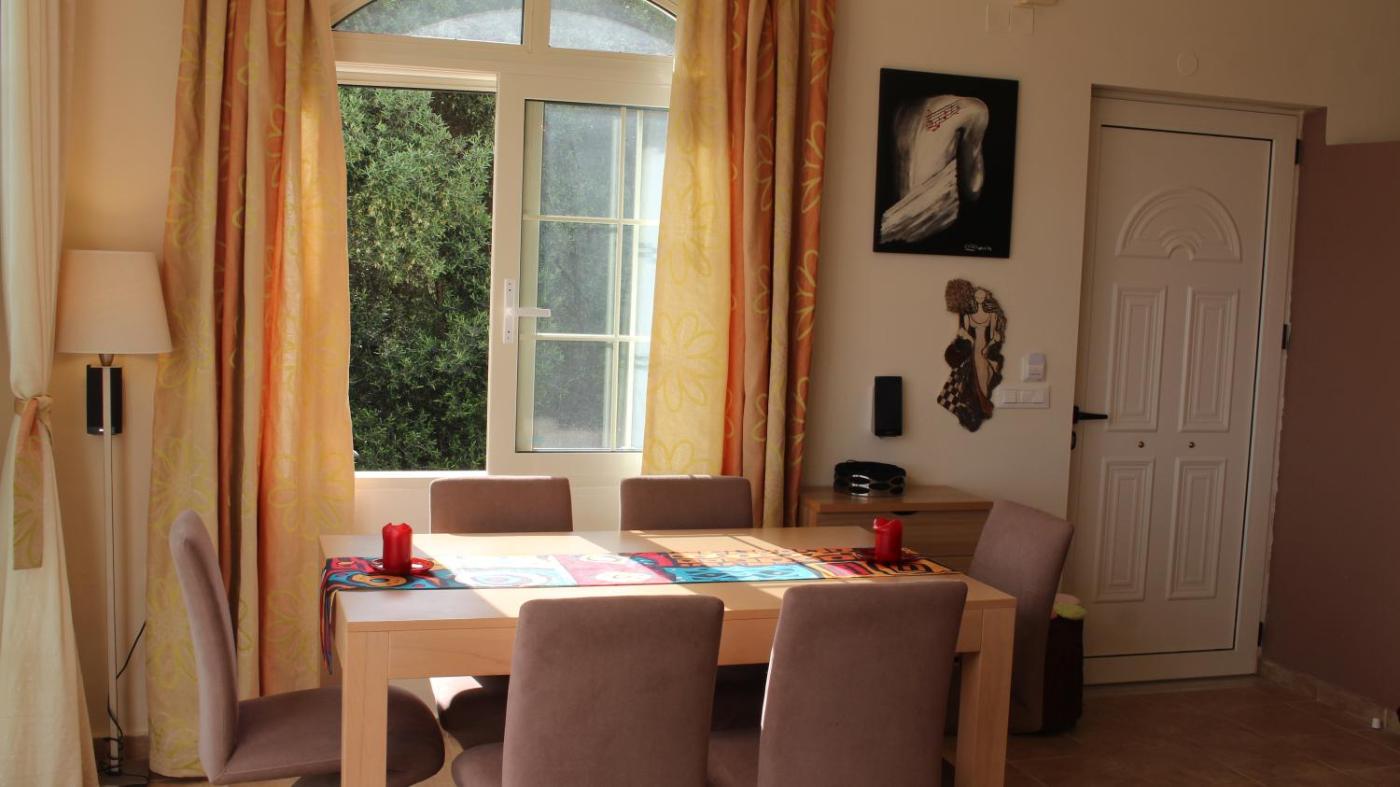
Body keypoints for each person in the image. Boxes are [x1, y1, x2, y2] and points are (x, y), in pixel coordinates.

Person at [880, 94, 990, 244]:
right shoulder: (973, 108)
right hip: (935, 221)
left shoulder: (902, 107)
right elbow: (973, 189)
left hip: (893, 228)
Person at [937, 278, 1006, 432]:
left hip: (984, 349)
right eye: (977, 296)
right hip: (974, 349)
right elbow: (964, 335)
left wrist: (991, 345)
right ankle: (976, 405)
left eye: (982, 296)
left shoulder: (992, 316)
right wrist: (965, 338)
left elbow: (995, 336)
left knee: (982, 376)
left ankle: (980, 404)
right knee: (974, 377)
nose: (979, 298)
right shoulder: (967, 317)